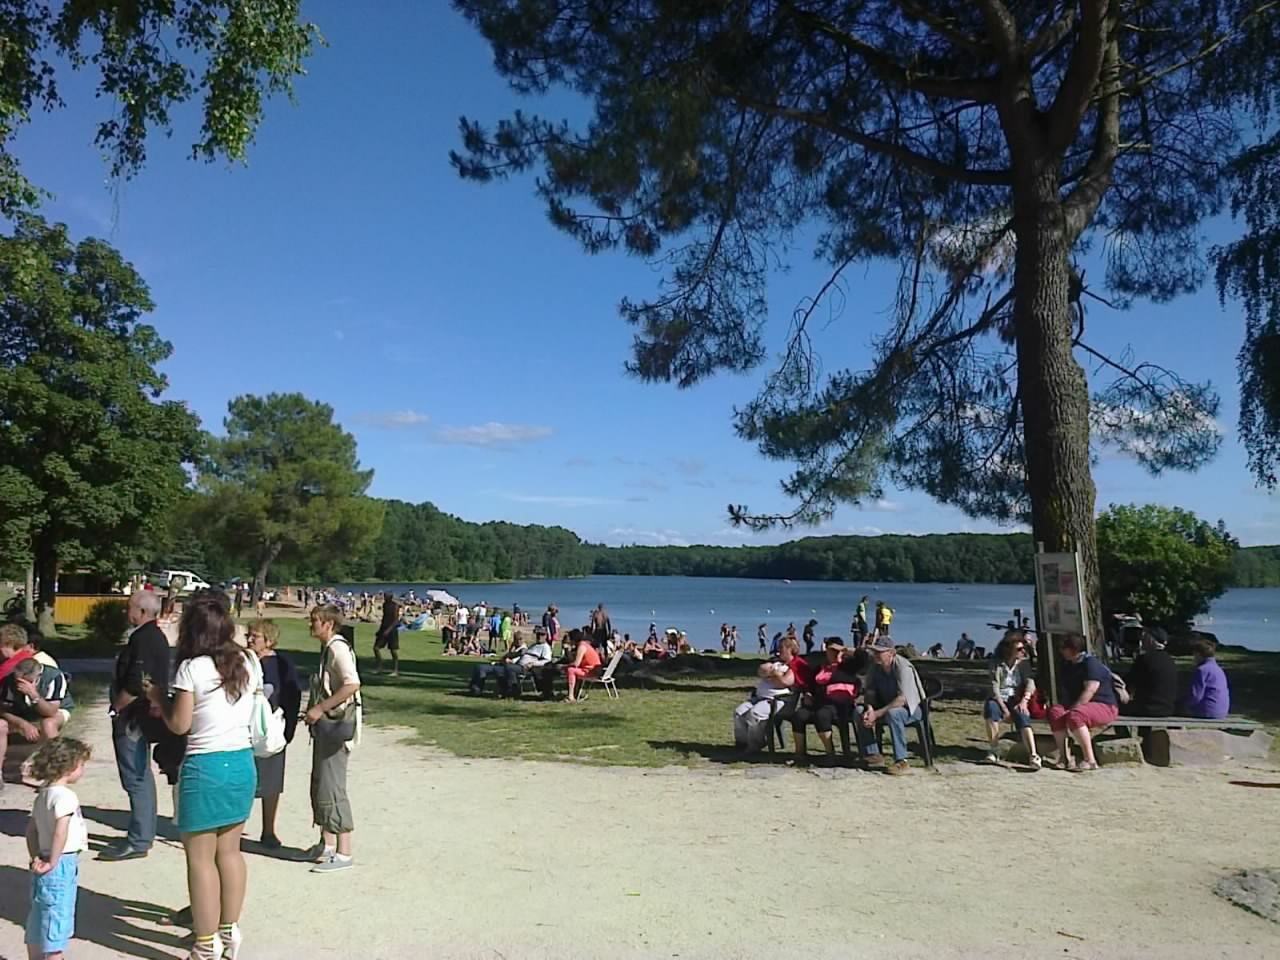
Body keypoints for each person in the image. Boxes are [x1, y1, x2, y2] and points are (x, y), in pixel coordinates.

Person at [146, 596, 260, 960]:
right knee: (230, 852)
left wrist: (158, 699)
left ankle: (205, 941)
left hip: (205, 764)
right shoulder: (247, 660)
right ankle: (229, 929)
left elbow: (180, 725)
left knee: (199, 859)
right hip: (241, 761)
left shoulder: (191, 668)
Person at [101, 590, 172, 862]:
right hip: (142, 715)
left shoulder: (144, 639)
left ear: (142, 612)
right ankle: (142, 833)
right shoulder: (152, 636)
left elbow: (135, 682)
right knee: (140, 775)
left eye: (129, 607)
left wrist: (116, 707)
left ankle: (139, 839)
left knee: (135, 777)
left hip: (133, 717)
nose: (125, 611)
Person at [304, 604, 362, 872]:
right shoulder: (328, 648)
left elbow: (352, 683)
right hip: (326, 727)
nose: (310, 624)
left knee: (333, 784)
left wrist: (320, 708)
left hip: (336, 727)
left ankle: (344, 850)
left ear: (328, 624)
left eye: (315, 620)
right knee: (321, 782)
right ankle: (327, 843)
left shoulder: (338, 648)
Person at [24, 737, 92, 960]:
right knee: (57, 921)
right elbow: (60, 832)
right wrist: (53, 861)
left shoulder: (43, 795)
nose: (82, 771)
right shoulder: (66, 797)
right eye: (82, 765)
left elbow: (31, 832)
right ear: (70, 767)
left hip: (42, 859)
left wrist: (36, 857)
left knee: (38, 917)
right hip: (60, 863)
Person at [245, 621, 301, 849]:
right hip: (243, 731)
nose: (249, 640)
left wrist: (287, 732)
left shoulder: (281, 664)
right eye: (249, 635)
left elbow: (292, 696)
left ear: (269, 641)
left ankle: (268, 830)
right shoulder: (243, 661)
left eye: (255, 636)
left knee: (271, 784)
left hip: (271, 730)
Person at [1047, 634, 1120, 772]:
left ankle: (1089, 759)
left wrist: (1072, 709)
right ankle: (1064, 757)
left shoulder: (1090, 664)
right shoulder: (1068, 665)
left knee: (1076, 715)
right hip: (1078, 705)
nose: (1061, 651)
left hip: (1104, 705)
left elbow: (1090, 690)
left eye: (1064, 648)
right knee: (1055, 712)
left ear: (1073, 649)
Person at [858, 635, 927, 775]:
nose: (876, 655)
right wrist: (870, 709)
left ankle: (902, 761)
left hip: (911, 709)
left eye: (880, 652)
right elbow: (869, 691)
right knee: (859, 711)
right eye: (874, 651)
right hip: (884, 706)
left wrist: (877, 714)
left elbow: (902, 699)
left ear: (891, 653)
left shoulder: (903, 667)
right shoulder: (874, 666)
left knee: (894, 713)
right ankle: (872, 755)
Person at [791, 640, 863, 766]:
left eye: (836, 651)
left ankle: (831, 754)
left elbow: (864, 656)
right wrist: (808, 693)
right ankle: (799, 754)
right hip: (818, 702)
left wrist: (845, 650)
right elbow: (810, 685)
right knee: (799, 715)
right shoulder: (820, 668)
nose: (833, 654)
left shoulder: (848, 666)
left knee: (822, 715)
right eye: (831, 650)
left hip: (840, 706)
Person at [0, 655, 74, 777]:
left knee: (48, 724)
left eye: (26, 681)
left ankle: (55, 773)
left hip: (54, 709)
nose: (20, 685)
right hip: (23, 712)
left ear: (38, 676)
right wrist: (22, 724)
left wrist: (33, 694)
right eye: (18, 681)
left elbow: (51, 711)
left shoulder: (54, 677)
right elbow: (3, 710)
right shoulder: (10, 680)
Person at [983, 634, 1040, 768]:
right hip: (999, 697)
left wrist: (1024, 700)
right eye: (1019, 649)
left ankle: (1033, 754)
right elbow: (994, 687)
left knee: (1023, 715)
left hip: (1016, 696)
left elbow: (1030, 683)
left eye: (1023, 648)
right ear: (1009, 650)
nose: (1023, 652)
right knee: (991, 710)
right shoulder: (996, 664)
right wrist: (1004, 709)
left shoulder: (1023, 664)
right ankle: (994, 749)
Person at [733, 660, 796, 754]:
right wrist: (769, 671)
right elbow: (761, 671)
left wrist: (772, 673)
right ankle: (742, 742)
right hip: (759, 697)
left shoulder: (788, 667)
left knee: (755, 714)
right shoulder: (775, 662)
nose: (779, 650)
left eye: (782, 648)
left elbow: (785, 682)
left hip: (776, 700)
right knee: (739, 712)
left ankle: (756, 743)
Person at [1124, 627, 1178, 717]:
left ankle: (1123, 732)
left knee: (1112, 709)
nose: (1141, 641)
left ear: (1150, 639)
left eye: (1144, 638)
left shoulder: (1144, 659)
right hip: (1167, 709)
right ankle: (1144, 732)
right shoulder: (1170, 660)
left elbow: (1128, 682)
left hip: (1147, 708)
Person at [497, 630, 554, 697]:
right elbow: (524, 655)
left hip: (526, 667)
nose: (539, 636)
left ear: (545, 636)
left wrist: (532, 664)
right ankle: (503, 691)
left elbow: (547, 660)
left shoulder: (545, 647)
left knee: (509, 668)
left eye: (542, 635)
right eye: (538, 634)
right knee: (500, 668)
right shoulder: (534, 645)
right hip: (519, 664)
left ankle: (514, 690)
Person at [1183, 638, 1231, 719]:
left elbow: (1196, 696)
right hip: (1221, 711)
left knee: (1177, 708)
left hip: (1208, 711)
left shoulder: (1202, 670)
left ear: (1198, 654)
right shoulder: (1218, 669)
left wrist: (1185, 704)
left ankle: (1176, 731)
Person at [563, 629, 603, 703]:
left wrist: (566, 666)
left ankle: (571, 696)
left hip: (592, 672)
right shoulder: (585, 644)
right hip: (594, 670)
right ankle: (574, 692)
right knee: (572, 669)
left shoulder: (582, 647)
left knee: (570, 670)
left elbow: (576, 663)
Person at [373, 592, 401, 677]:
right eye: (384, 596)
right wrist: (380, 630)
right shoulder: (384, 605)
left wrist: (388, 630)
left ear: (390, 597)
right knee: (376, 648)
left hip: (392, 630)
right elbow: (384, 618)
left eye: (386, 596)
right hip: (384, 629)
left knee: (393, 650)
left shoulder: (395, 606)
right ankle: (380, 667)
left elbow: (396, 621)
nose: (384, 598)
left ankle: (395, 670)